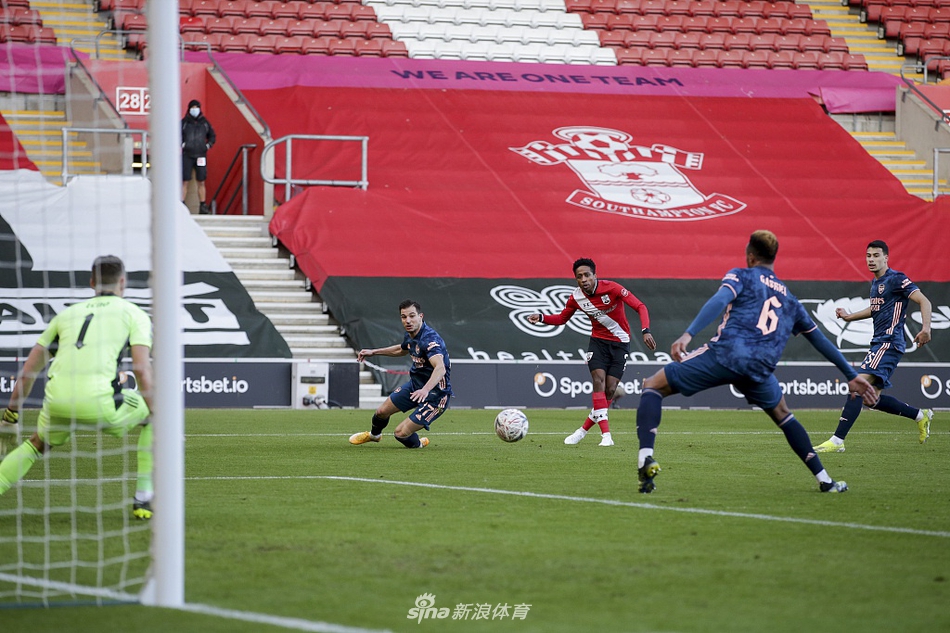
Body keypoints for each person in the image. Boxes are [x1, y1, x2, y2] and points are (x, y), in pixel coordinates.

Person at [633, 231, 877, 494]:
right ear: (774, 258)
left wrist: (688, 334)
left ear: (750, 256)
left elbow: (720, 299)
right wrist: (850, 374)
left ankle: (645, 458)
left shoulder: (741, 275)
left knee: (653, 385)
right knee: (784, 416)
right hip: (760, 369)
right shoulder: (790, 299)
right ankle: (825, 481)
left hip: (727, 354)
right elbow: (819, 340)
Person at [0, 256, 155, 519]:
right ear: (123, 282)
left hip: (58, 402)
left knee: (36, 444)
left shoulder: (66, 315)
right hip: (102, 404)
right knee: (155, 419)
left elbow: (28, 372)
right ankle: (143, 499)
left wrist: (11, 415)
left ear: (92, 282)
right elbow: (141, 369)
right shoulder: (134, 314)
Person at [814, 240, 933, 453]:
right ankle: (920, 415)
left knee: (856, 386)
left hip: (889, 343)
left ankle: (837, 441)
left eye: (876, 255)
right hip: (880, 343)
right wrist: (849, 317)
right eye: (868, 255)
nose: (871, 259)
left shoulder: (897, 278)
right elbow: (875, 308)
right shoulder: (875, 283)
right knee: (871, 399)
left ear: (886, 258)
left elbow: (924, 301)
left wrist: (926, 328)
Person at [528, 258, 656, 447]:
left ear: (595, 275)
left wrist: (646, 330)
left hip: (621, 343)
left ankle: (582, 431)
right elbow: (562, 318)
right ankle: (606, 436)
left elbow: (640, 306)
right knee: (598, 380)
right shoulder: (576, 298)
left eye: (587, 275)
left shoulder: (612, 288)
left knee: (610, 389)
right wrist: (541, 317)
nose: (584, 279)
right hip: (598, 343)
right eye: (579, 276)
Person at [349, 300, 452, 449]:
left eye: (412, 316)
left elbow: (440, 368)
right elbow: (402, 349)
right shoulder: (411, 335)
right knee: (381, 412)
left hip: (436, 396)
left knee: (400, 433)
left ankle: (419, 443)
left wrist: (425, 390)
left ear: (421, 316)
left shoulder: (430, 340)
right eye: (404, 317)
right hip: (415, 387)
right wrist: (374, 352)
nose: (408, 321)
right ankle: (374, 436)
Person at [181, 98, 216, 215]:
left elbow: (212, 136)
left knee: (201, 181)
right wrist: (182, 144)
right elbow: (176, 134)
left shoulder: (204, 122)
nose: (195, 110)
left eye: (197, 108)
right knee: (184, 181)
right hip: (187, 155)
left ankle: (203, 205)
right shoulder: (184, 122)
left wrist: (207, 146)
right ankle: (181, 203)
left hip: (201, 155)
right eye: (193, 108)